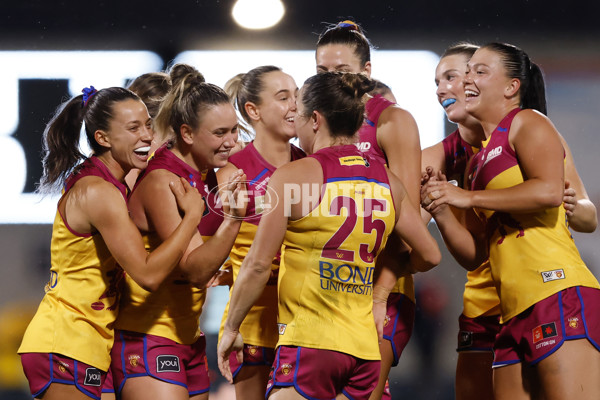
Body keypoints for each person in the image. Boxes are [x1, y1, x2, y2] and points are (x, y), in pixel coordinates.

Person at [218, 71, 441, 400]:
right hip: (365, 351)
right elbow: (430, 255)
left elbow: (257, 264)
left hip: (311, 343)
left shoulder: (295, 176)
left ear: (315, 120)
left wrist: (231, 328)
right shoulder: (388, 180)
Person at [422, 42, 600, 400]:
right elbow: (475, 254)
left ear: (511, 86)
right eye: (447, 78)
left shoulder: (528, 122)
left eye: (475, 72)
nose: (456, 84)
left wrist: (467, 197)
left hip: (555, 290)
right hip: (508, 312)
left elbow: (552, 193)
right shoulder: (472, 163)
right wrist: (441, 209)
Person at [18, 86, 204, 400]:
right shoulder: (99, 192)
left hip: (90, 341)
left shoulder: (109, 182)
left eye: (147, 124)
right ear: (103, 138)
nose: (147, 135)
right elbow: (148, 275)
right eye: (133, 128)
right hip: (65, 340)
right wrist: (191, 218)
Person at [109, 65, 246, 400]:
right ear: (186, 133)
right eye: (220, 133)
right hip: (147, 335)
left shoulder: (209, 172)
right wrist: (233, 220)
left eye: (234, 131)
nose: (232, 142)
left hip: (189, 337)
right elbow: (196, 270)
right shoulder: (162, 180)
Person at [315, 20, 422, 399]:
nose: (331, 81)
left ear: (366, 71)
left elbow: (412, 218)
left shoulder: (392, 121)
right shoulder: (316, 124)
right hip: (325, 291)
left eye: (341, 71)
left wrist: (380, 296)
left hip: (381, 288)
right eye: (322, 72)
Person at [217, 65, 305, 400]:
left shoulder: (311, 164)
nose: (295, 105)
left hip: (302, 322)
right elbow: (221, 237)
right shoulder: (231, 169)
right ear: (252, 110)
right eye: (283, 98)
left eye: (297, 96)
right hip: (251, 322)